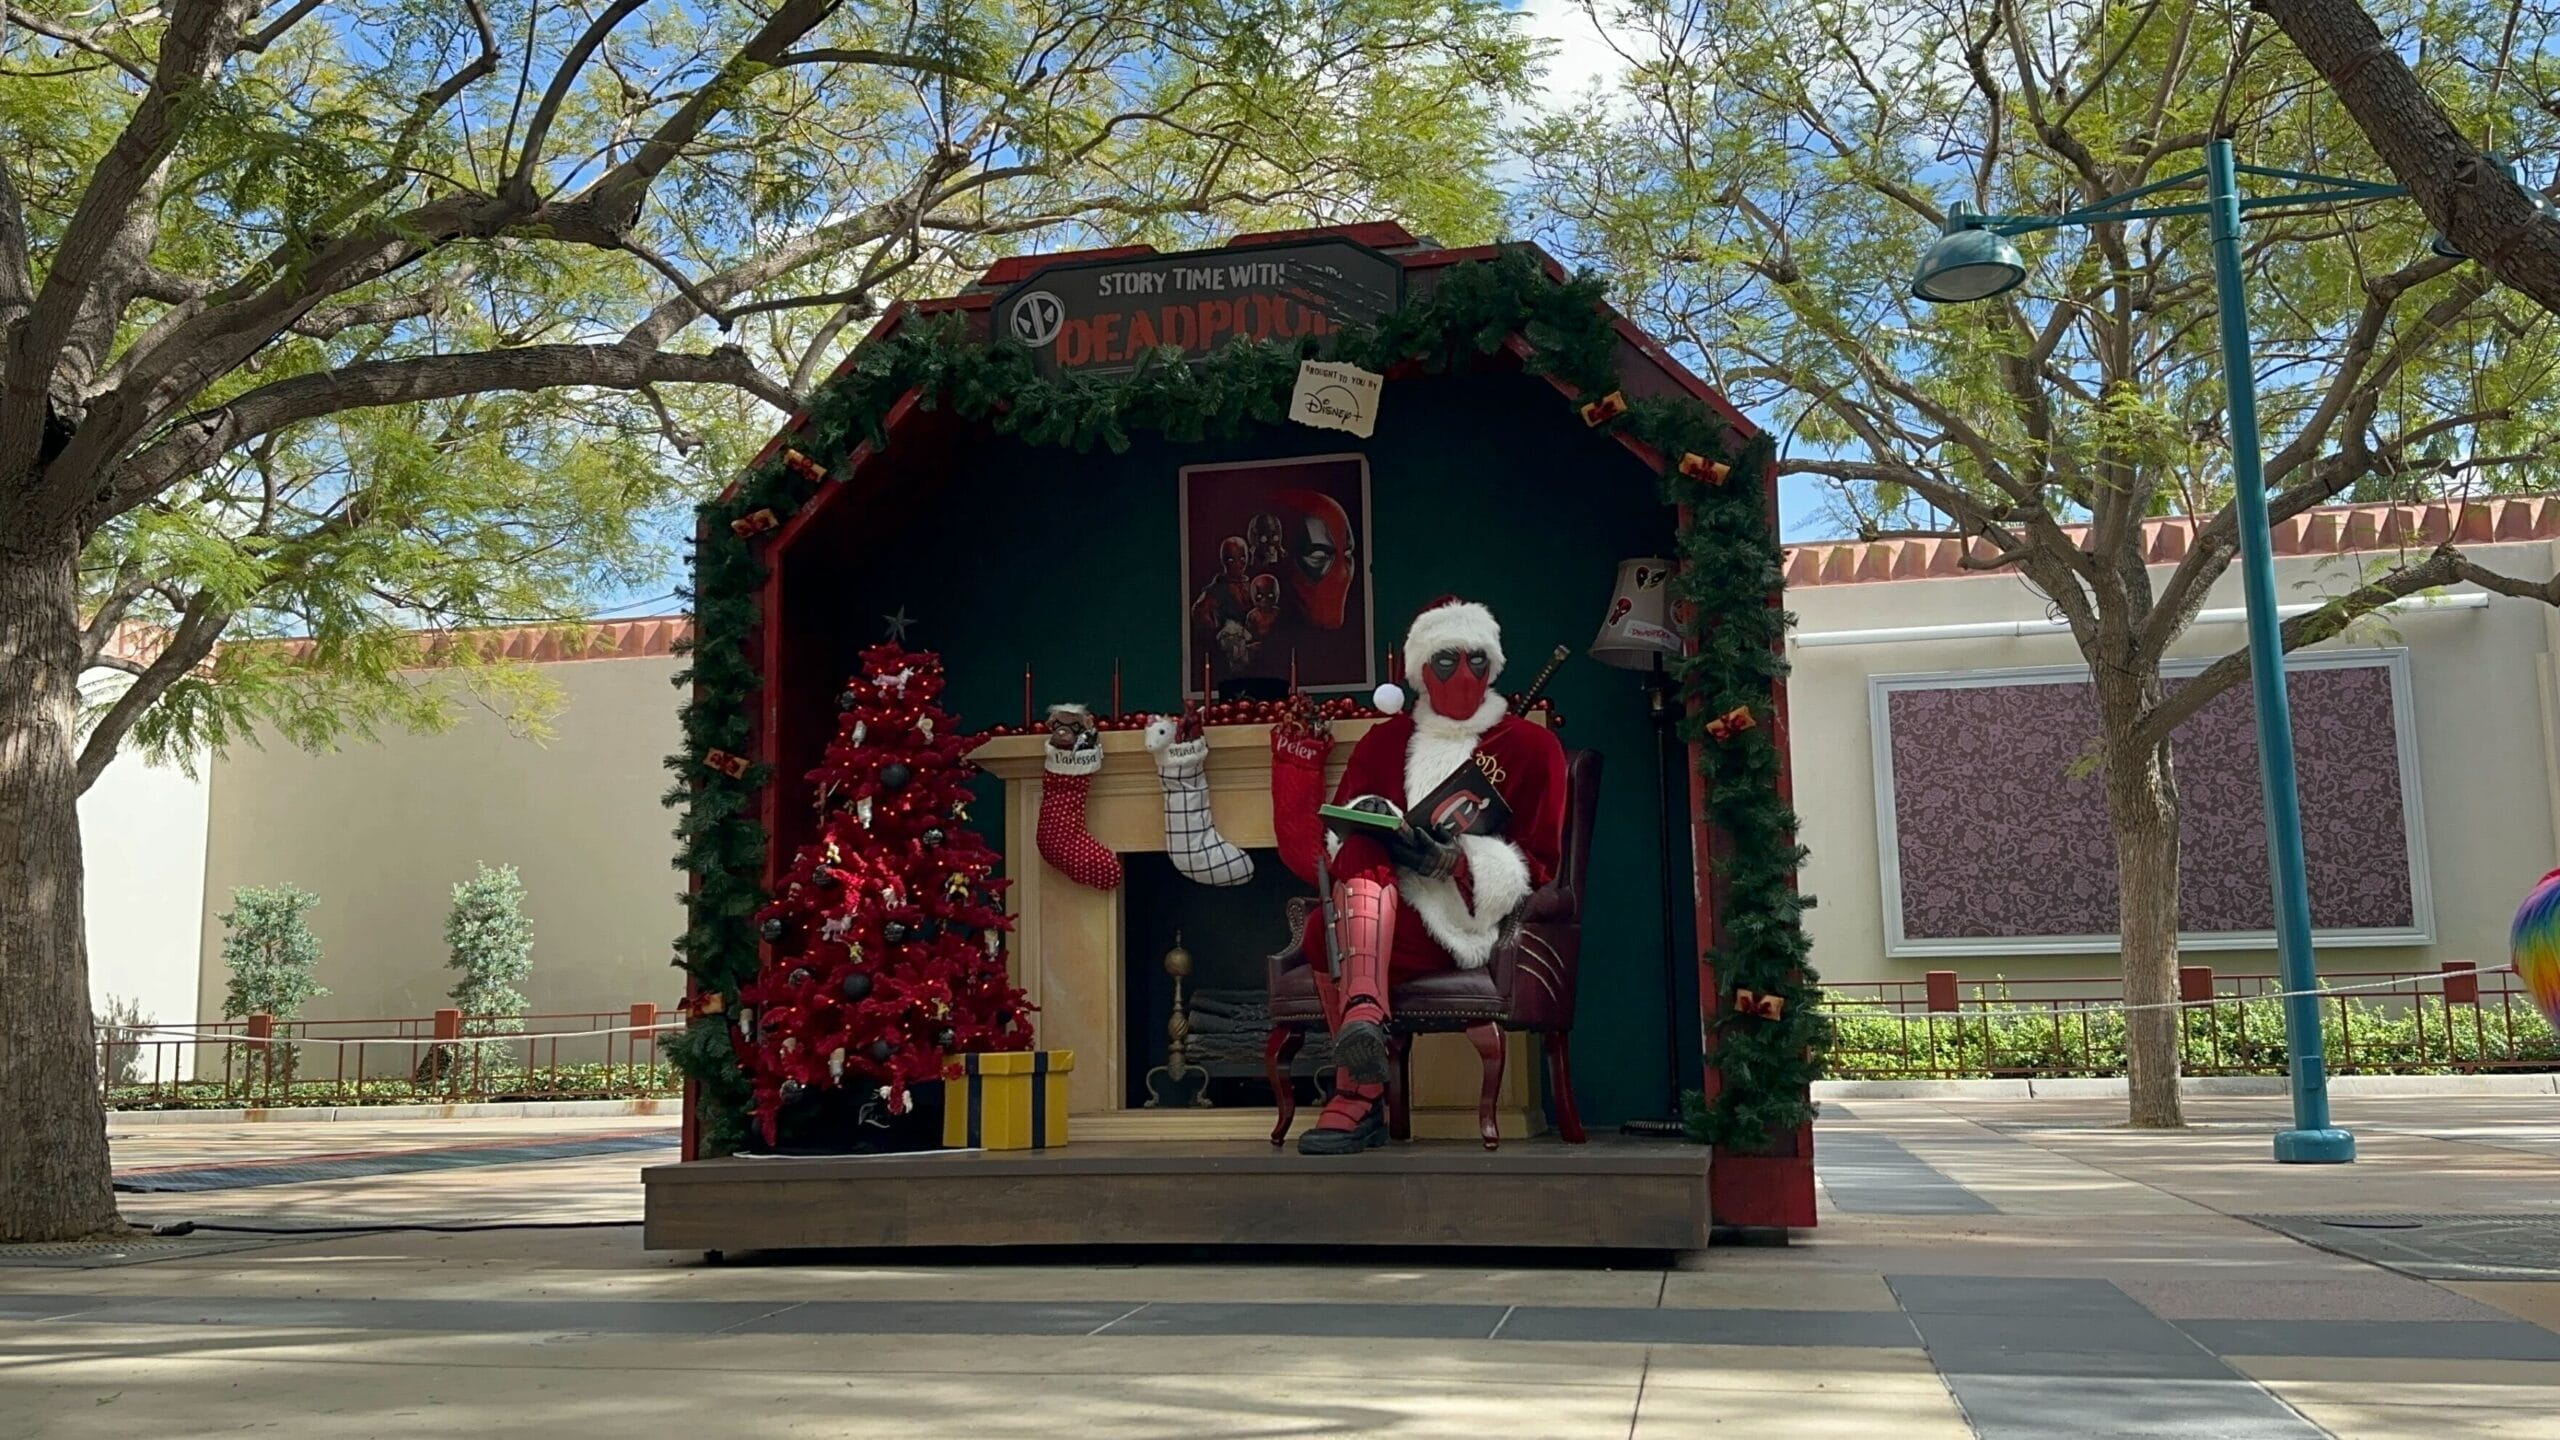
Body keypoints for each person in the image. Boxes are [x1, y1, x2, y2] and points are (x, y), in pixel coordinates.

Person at [1296, 596, 1567, 1156]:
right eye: (1446, 661)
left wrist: (1458, 861)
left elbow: (1541, 862)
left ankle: (1358, 1093)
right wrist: (1383, 834)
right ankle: (1366, 1019)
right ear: (1421, 671)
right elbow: (1336, 840)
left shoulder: (1530, 747)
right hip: (1382, 901)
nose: (1462, 674)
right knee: (1355, 848)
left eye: (1475, 660)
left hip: (1459, 917)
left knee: (1327, 936)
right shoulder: (1383, 743)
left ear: (1492, 666)